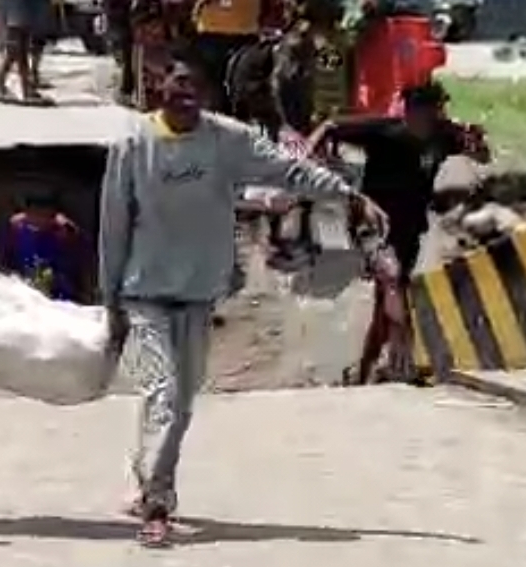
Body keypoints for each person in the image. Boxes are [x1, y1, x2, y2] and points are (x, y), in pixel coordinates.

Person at [98, 52, 390, 547]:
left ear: (207, 96)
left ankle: (146, 475)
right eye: (175, 84)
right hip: (143, 294)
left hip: (198, 295)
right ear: (158, 86)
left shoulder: (226, 140)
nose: (184, 95)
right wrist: (110, 302)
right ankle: (157, 502)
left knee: (180, 403)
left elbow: (288, 171)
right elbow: (113, 227)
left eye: (194, 87)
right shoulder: (132, 145)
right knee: (164, 393)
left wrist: (346, 193)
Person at [307, 80, 489, 384]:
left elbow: (483, 157)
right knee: (392, 280)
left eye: (437, 110)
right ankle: (403, 359)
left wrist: (477, 142)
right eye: (426, 111)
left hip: (410, 225)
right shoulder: (383, 131)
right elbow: (329, 126)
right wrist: (307, 162)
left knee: (386, 299)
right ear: (410, 111)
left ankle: (362, 373)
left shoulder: (444, 136)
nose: (432, 117)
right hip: (372, 224)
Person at [0, 190, 89, 303]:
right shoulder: (15, 228)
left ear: (54, 214)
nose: (41, 220)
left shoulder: (66, 233)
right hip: (24, 289)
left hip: (58, 295)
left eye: (45, 215)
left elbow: (83, 264)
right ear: (27, 212)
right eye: (36, 214)